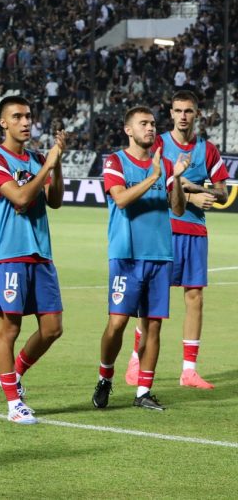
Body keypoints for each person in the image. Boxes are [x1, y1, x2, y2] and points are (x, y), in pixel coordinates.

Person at [127, 91, 230, 390]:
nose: (183, 116)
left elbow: (223, 191)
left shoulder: (208, 150)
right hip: (163, 230)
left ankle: (189, 371)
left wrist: (194, 187)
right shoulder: (157, 143)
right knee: (151, 300)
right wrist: (187, 192)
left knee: (195, 297)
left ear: (197, 114)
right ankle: (135, 359)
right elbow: (153, 181)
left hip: (195, 232)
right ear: (170, 114)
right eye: (178, 110)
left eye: (188, 111)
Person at [93, 106, 188, 412]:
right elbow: (120, 199)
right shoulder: (116, 161)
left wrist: (174, 181)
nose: (150, 128)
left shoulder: (166, 163)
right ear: (128, 130)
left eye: (152, 124)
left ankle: (143, 391)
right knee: (118, 323)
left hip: (160, 255)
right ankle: (105, 376)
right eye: (143, 123)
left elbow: (177, 210)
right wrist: (156, 176)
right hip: (127, 255)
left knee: (154, 326)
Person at [0, 96, 65, 425]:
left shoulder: (37, 158)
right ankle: (14, 403)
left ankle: (12, 374)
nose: (25, 122)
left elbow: (54, 201)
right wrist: (47, 166)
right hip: (9, 255)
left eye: (28, 116)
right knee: (9, 328)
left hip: (41, 253)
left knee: (53, 328)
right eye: (17, 116)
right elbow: (21, 197)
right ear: (4, 122)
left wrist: (54, 164)